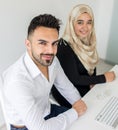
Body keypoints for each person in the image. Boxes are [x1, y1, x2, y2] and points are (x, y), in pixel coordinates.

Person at [2, 14, 87, 130]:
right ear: (28, 44)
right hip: (26, 126)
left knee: (85, 122)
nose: (51, 51)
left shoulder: (53, 61)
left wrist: (79, 103)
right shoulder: (17, 81)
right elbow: (40, 128)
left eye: (54, 43)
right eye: (43, 43)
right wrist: (75, 112)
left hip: (47, 110)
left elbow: (66, 87)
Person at [51, 4, 116, 108]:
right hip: (66, 89)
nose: (85, 27)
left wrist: (93, 80)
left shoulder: (88, 40)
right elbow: (74, 78)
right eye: (80, 22)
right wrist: (103, 78)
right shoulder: (64, 46)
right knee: (95, 105)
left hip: (83, 83)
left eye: (89, 22)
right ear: (72, 23)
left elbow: (92, 64)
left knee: (106, 97)